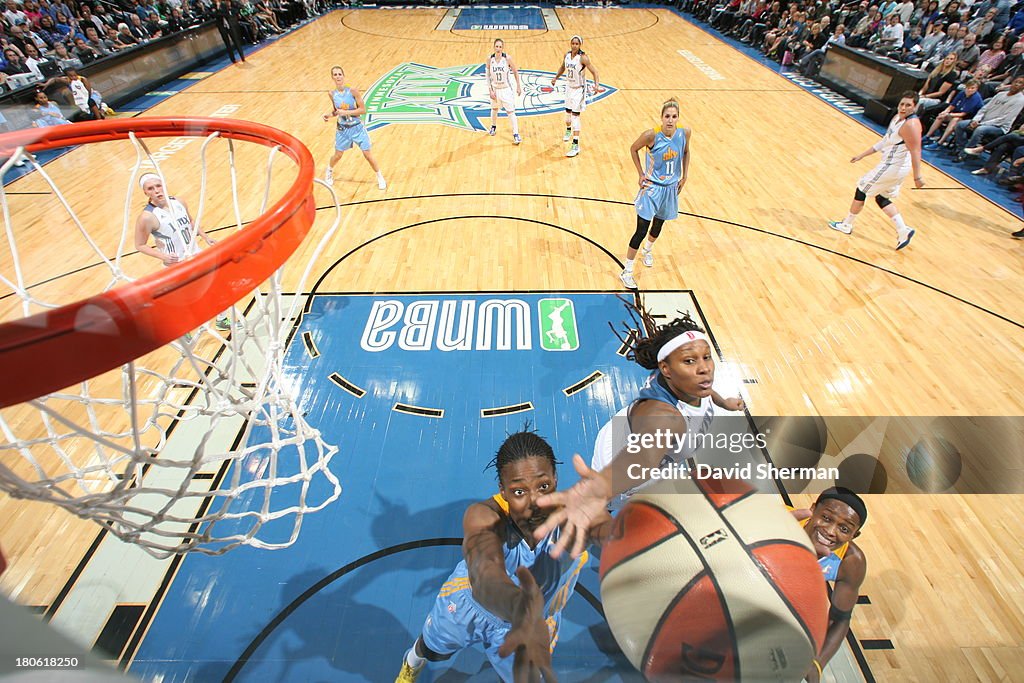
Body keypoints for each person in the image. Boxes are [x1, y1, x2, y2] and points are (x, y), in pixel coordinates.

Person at [395, 430, 612, 683]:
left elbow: (614, 533)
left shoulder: (577, 516)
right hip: (471, 606)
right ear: (503, 490)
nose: (535, 502)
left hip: (532, 622)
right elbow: (485, 574)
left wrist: (633, 538)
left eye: (543, 486)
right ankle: (412, 661)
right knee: (432, 651)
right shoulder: (484, 516)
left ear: (555, 478)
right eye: (519, 491)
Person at [533, 301, 745, 560]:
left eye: (706, 357)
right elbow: (642, 458)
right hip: (623, 459)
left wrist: (725, 402)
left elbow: (705, 388)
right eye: (690, 361)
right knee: (638, 531)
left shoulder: (689, 381)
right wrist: (598, 489)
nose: (704, 369)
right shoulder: (665, 418)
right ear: (666, 370)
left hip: (631, 440)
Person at [133, 173, 234, 333]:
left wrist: (205, 236)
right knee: (187, 301)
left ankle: (221, 320)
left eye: (158, 186)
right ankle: (181, 331)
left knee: (217, 284)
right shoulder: (147, 217)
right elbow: (139, 245)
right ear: (145, 192)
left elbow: (190, 221)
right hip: (176, 264)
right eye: (151, 188)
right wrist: (163, 256)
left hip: (196, 255)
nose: (157, 191)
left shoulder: (179, 201)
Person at [828, 91, 925, 250]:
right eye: (902, 104)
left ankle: (847, 224)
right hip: (895, 167)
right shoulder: (897, 118)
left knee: (861, 189)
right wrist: (862, 155)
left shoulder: (911, 125)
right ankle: (903, 230)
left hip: (893, 167)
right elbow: (885, 142)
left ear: (915, 107)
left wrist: (917, 176)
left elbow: (916, 151)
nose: (903, 107)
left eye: (908, 105)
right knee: (881, 197)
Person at [791, 487, 868, 683]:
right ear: (813, 508)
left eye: (844, 529)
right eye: (826, 518)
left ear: (854, 535)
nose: (831, 531)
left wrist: (818, 663)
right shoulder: (780, 521)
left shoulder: (851, 562)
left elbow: (840, 618)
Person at [619, 99, 690, 290]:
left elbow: (686, 152)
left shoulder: (684, 133)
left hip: (670, 188)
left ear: (678, 118)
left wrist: (684, 176)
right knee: (641, 230)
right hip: (651, 188)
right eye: (667, 116)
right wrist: (640, 173)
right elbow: (633, 149)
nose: (670, 120)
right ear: (661, 117)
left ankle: (647, 250)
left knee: (659, 225)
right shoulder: (651, 135)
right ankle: (627, 271)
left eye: (674, 116)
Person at [322, 66, 386, 190]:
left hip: (357, 127)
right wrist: (329, 115)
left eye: (340, 74)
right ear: (332, 78)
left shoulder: (352, 91)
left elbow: (363, 110)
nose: (338, 76)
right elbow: (337, 111)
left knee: (367, 154)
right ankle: (329, 170)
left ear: (343, 76)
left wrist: (346, 113)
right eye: (335, 75)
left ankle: (380, 176)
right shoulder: (332, 94)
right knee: (338, 155)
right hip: (343, 129)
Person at [549, 35, 604, 158]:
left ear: (580, 45)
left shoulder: (583, 58)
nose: (574, 45)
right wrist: (555, 77)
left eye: (576, 44)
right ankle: (568, 130)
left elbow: (595, 72)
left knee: (575, 117)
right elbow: (563, 67)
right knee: (567, 116)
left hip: (579, 89)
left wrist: (596, 85)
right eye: (573, 43)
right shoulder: (567, 56)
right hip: (569, 87)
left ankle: (576, 145)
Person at [486, 38, 522, 145]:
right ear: (494, 47)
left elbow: (515, 71)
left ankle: (516, 134)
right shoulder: (490, 59)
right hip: (495, 89)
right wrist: (490, 90)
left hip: (506, 89)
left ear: (502, 48)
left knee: (511, 112)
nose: (498, 49)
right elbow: (487, 75)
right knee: (494, 109)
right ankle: (493, 126)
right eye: (496, 46)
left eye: (500, 47)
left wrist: (518, 86)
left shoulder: (507, 59)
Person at [214, 0, 246, 64]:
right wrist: (218, 9)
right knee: (227, 43)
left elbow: (226, 14)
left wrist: (219, 13)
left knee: (236, 40)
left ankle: (242, 56)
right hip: (221, 26)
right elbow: (214, 15)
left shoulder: (224, 5)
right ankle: (233, 59)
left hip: (229, 24)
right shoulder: (213, 7)